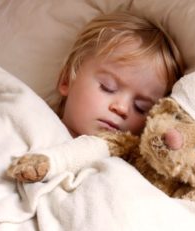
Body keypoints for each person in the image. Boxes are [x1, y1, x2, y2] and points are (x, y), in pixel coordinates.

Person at [55, 11, 183, 138]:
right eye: (107, 87)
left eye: (140, 108)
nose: (122, 108)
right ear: (67, 79)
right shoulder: (37, 118)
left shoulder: (124, 159)